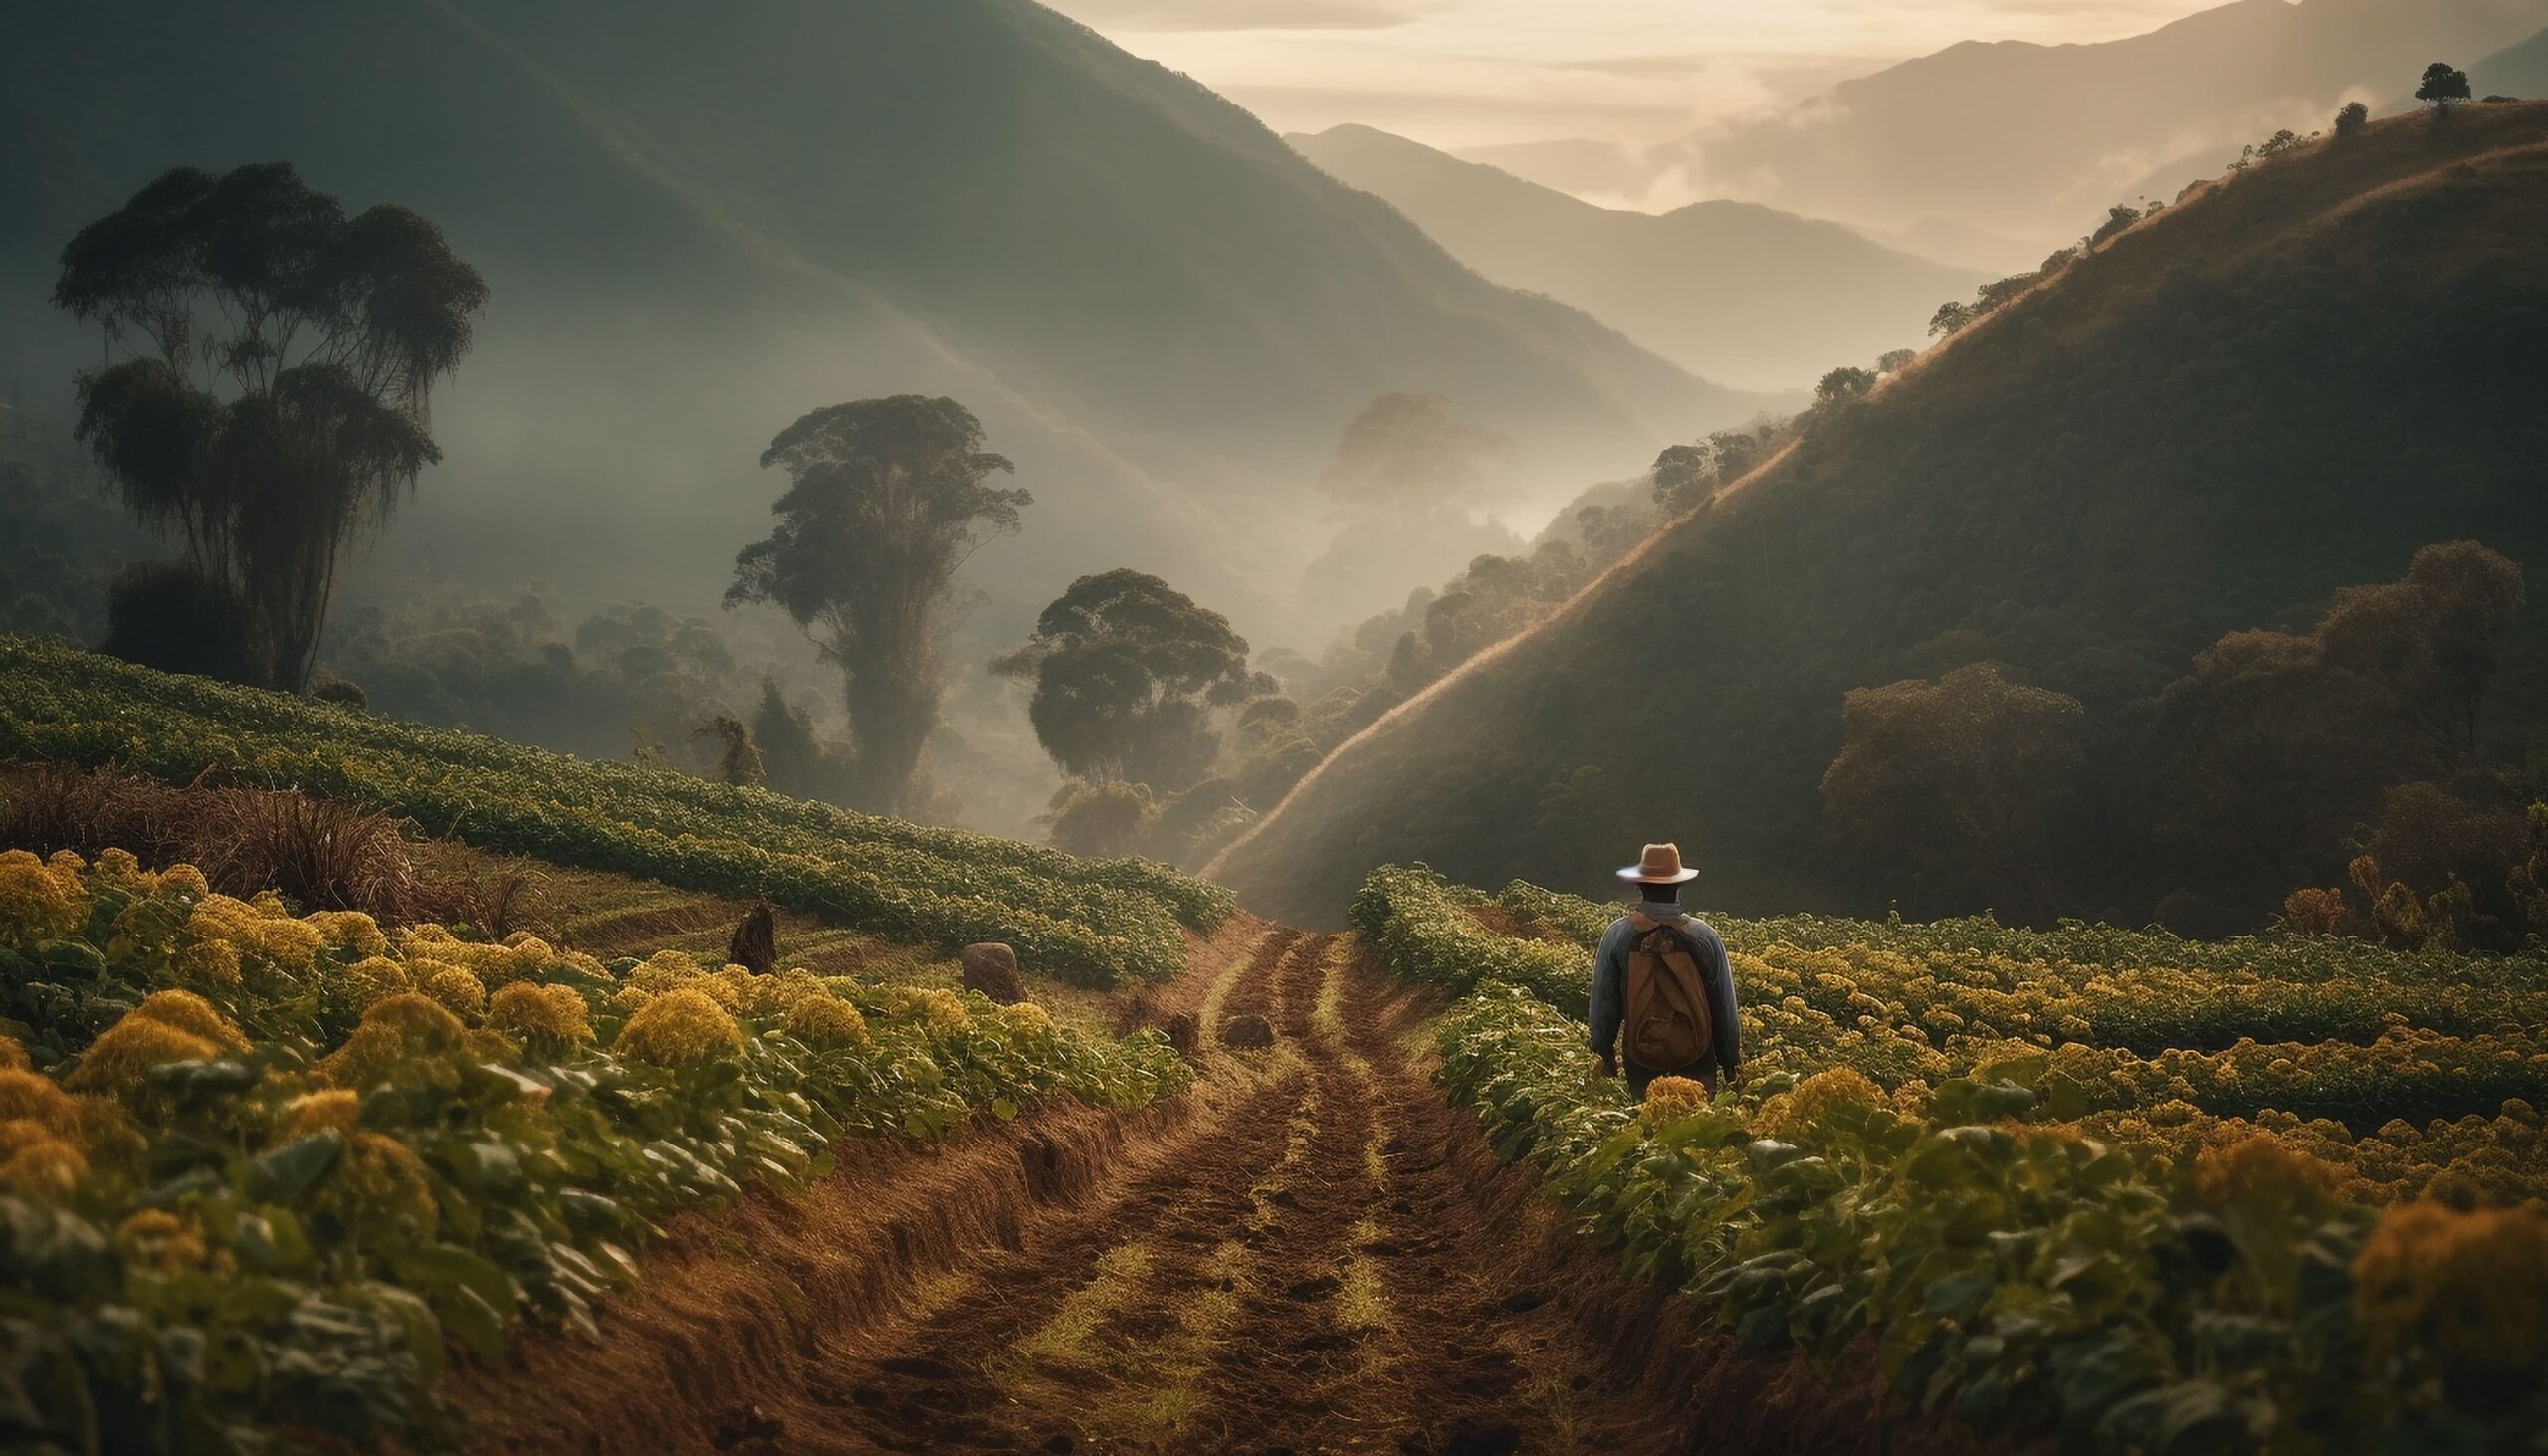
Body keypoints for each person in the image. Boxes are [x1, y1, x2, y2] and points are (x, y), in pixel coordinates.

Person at [1588, 842, 1741, 1096]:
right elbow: (1724, 1008)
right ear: (1679, 886)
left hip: (1642, 1059)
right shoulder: (1704, 936)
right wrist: (1731, 1064)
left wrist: (1603, 1055)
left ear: (1639, 886)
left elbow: (1604, 1006)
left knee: (1646, 1127)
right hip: (1697, 1060)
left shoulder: (1618, 935)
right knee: (1699, 1129)